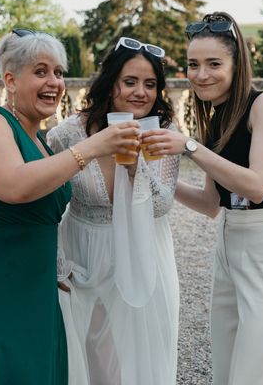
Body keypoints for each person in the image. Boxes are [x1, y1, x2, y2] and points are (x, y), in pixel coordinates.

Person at [0, 29, 139, 385]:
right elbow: (14, 187)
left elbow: (42, 219)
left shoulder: (42, 142)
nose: (54, 82)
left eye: (59, 72)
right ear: (10, 80)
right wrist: (93, 147)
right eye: (40, 71)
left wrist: (57, 263)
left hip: (33, 292)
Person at [141, 12, 263, 385]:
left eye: (214, 63)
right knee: (229, 370)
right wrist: (148, 179)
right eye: (193, 65)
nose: (201, 74)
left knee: (261, 372)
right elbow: (211, 204)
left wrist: (187, 145)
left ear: (237, 64)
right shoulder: (216, 118)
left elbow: (257, 186)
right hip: (228, 248)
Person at [47, 37, 180, 385]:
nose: (141, 92)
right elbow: (48, 200)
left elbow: (163, 203)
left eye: (150, 84)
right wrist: (57, 259)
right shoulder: (69, 134)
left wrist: (137, 168)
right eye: (130, 81)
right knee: (89, 355)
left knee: (140, 354)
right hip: (83, 252)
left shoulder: (163, 134)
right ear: (111, 83)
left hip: (141, 251)